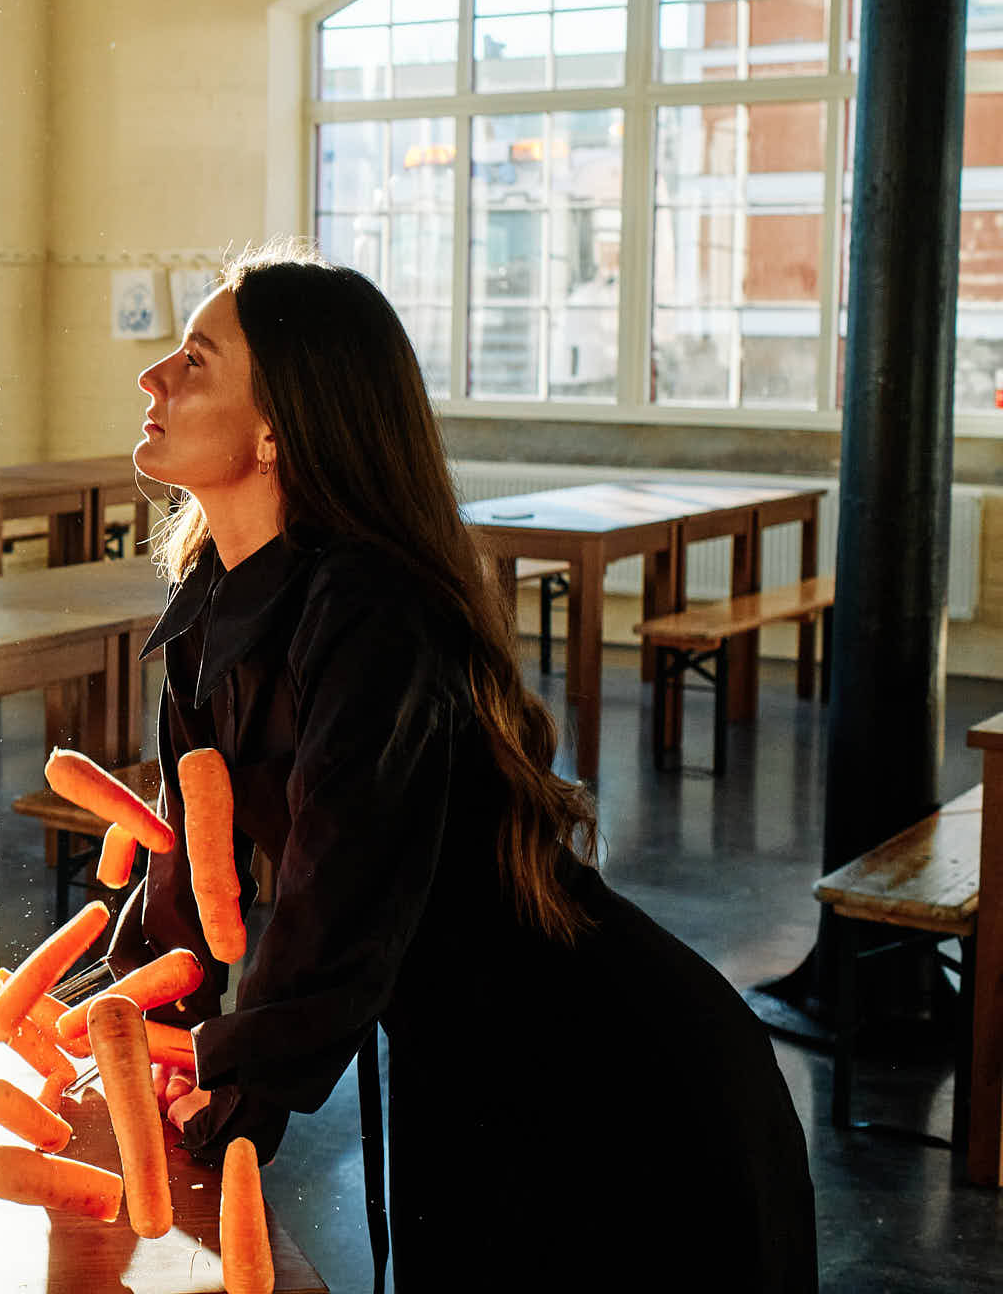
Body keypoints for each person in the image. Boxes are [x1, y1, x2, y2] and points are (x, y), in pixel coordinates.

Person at [110, 246, 816, 1291]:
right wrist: (127, 1027)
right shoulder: (207, 604)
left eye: (196, 361)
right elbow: (191, 876)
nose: (152, 378)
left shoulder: (372, 611)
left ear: (277, 428)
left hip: (612, 1070)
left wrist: (234, 1072)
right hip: (456, 1047)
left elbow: (338, 887)